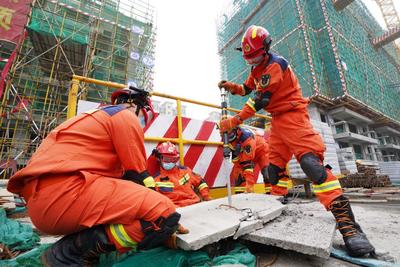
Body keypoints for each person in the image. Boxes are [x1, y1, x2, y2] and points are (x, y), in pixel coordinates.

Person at [217, 25, 375, 257]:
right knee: (273, 171)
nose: (252, 61)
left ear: (266, 49)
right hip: (278, 122)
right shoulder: (257, 68)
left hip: (294, 116)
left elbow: (260, 99)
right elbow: (247, 89)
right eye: (248, 57)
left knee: (312, 166)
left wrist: (235, 120)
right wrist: (233, 87)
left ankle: (350, 228)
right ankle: (278, 204)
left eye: (255, 56)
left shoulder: (276, 65)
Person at [7, 86, 183, 266]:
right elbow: (138, 175)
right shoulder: (124, 116)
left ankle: (83, 251)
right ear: (135, 106)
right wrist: (165, 217)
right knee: (163, 214)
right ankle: (68, 253)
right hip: (66, 194)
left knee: (132, 209)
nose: (142, 121)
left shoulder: (92, 120)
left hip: (44, 203)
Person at [227, 126, 289, 199]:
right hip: (247, 152)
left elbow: (247, 164)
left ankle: (273, 195)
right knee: (238, 173)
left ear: (236, 130)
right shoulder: (226, 138)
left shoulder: (247, 137)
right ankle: (241, 196)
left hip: (262, 152)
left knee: (267, 173)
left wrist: (249, 185)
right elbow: (236, 162)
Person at [152, 141, 211, 207]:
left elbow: (201, 182)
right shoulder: (155, 180)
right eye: (167, 159)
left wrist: (206, 196)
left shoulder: (185, 171)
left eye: (174, 159)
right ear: (158, 158)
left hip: (195, 205)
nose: (171, 162)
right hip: (176, 211)